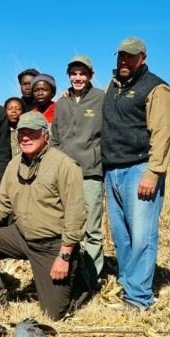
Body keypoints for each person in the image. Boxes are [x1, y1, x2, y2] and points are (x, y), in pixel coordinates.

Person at [0, 111, 86, 320]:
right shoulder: (14, 164)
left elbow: (75, 215)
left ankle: (80, 279)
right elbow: (2, 203)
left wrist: (64, 256)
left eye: (32, 133)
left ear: (45, 135)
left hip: (51, 244)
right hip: (20, 236)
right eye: (22, 134)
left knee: (53, 314)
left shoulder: (65, 165)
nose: (26, 138)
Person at [102, 37, 170, 311]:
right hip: (113, 170)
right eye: (121, 56)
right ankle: (127, 283)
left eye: (130, 57)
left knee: (142, 235)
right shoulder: (113, 86)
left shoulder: (157, 88)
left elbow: (162, 133)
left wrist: (153, 172)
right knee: (122, 235)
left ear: (142, 58)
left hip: (140, 169)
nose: (124, 61)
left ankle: (139, 297)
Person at [51, 55, 105, 287]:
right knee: (64, 227)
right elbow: (54, 137)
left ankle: (92, 280)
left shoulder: (101, 99)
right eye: (74, 73)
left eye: (83, 73)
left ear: (91, 75)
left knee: (92, 230)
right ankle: (67, 276)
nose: (78, 78)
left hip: (90, 173)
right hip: (64, 176)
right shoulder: (61, 103)